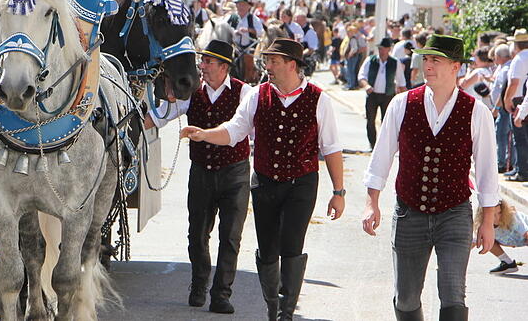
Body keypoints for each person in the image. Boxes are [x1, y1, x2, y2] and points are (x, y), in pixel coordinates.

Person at [181, 39, 346, 321]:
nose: (267, 67)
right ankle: (273, 310)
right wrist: (205, 134)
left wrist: (338, 191)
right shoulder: (257, 95)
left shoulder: (319, 99)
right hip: (265, 182)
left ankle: (286, 313)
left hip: (301, 183)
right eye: (267, 61)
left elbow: (331, 147)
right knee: (268, 249)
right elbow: (234, 130)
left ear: (292, 65)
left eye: (273, 62)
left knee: (291, 244)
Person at [362, 34, 500, 320]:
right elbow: (382, 156)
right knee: (407, 296)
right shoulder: (401, 104)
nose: (428, 66)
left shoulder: (477, 112)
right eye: (425, 59)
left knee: (453, 294)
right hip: (409, 211)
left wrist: (487, 221)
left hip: (454, 213)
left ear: (456, 67)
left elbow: (487, 170)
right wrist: (371, 201)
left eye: (436, 60)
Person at [147, 41, 252, 314]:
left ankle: (221, 294)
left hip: (235, 173)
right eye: (201, 61)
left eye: (207, 62)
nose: (201, 67)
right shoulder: (192, 92)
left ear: (224, 67)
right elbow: (160, 116)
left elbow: (250, 128)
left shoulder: (245, 92)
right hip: (202, 172)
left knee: (230, 237)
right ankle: (199, 284)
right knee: (197, 234)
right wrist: (131, 123)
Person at [358, 37, 407, 149]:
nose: (381, 51)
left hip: (388, 95)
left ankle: (384, 145)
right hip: (373, 95)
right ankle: (373, 144)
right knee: (370, 120)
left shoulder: (395, 62)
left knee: (386, 121)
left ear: (388, 49)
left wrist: (405, 99)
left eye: (383, 48)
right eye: (380, 48)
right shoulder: (371, 60)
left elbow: (401, 81)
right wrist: (366, 86)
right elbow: (361, 76)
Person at [476, 199, 527, 275]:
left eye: (499, 213)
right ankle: (508, 263)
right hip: (520, 241)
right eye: (493, 214)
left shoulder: (512, 217)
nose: (497, 218)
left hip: (526, 236)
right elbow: (472, 242)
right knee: (485, 238)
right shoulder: (484, 227)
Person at [503, 29, 528, 182]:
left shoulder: (519, 59)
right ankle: (520, 168)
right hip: (523, 99)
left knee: (519, 138)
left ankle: (522, 170)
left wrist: (507, 100)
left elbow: (514, 83)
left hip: (519, 99)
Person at [491, 44, 513, 173]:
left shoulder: (506, 69)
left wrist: (497, 107)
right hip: (503, 107)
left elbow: (503, 91)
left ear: (499, 56)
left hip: (503, 108)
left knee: (501, 134)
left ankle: (502, 163)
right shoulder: (504, 67)